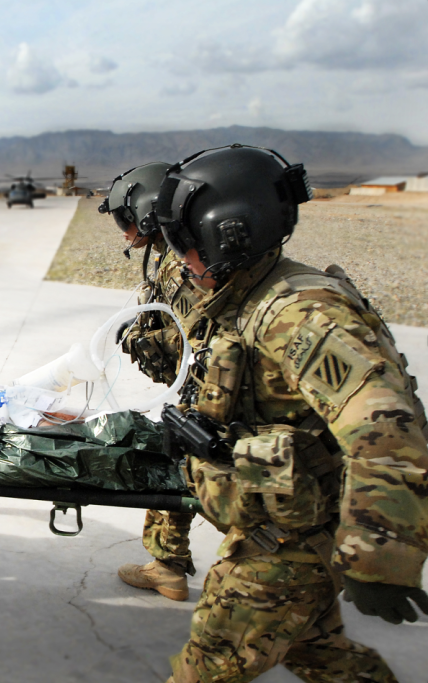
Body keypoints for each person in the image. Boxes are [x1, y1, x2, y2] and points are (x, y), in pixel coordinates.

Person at [154, 145, 428, 682]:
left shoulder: (299, 315)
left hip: (291, 544)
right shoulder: (251, 298)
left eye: (187, 244)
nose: (181, 259)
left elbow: (388, 430)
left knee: (205, 668)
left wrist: (377, 560)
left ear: (227, 235)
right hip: (280, 524)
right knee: (320, 656)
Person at [99, 162, 200, 601]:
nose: (123, 232)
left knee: (172, 465)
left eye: (125, 220)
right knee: (175, 458)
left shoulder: (185, 265)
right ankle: (167, 565)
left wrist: (142, 340)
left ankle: (168, 567)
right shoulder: (178, 253)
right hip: (205, 390)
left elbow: (195, 340)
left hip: (215, 391)